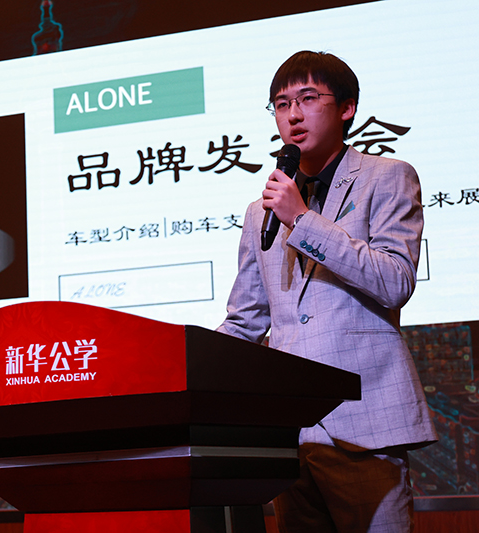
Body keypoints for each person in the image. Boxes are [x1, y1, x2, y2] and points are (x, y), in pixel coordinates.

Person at [216, 51, 436, 532]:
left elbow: (395, 280)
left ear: (347, 108)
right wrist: (187, 363)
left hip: (366, 425)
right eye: (281, 104)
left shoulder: (387, 177)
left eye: (308, 98)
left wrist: (301, 219)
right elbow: (246, 320)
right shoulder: (259, 211)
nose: (292, 115)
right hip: (291, 435)